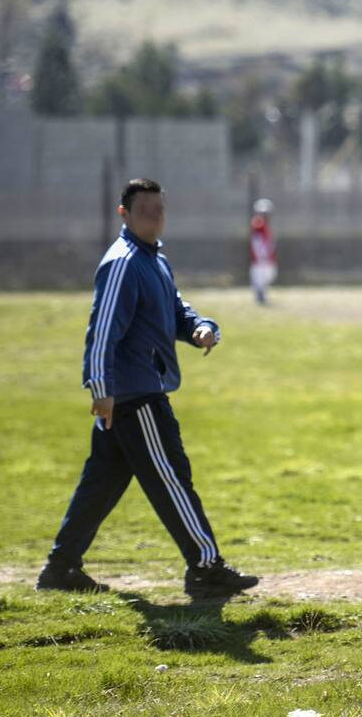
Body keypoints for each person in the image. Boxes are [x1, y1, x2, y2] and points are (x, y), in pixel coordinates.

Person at [36, 178, 259, 598]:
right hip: (133, 396)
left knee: (100, 484)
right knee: (172, 478)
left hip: (132, 392)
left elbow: (176, 308)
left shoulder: (153, 259)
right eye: (145, 211)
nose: (155, 217)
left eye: (159, 210)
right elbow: (102, 332)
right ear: (124, 214)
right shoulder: (123, 262)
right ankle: (205, 566)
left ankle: (60, 569)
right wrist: (101, 389)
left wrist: (200, 328)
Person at [250, 198, 278, 305]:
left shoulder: (265, 225)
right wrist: (261, 254)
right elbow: (257, 241)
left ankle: (262, 294)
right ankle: (260, 296)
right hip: (261, 257)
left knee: (269, 275)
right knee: (259, 276)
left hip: (266, 256)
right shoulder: (258, 223)